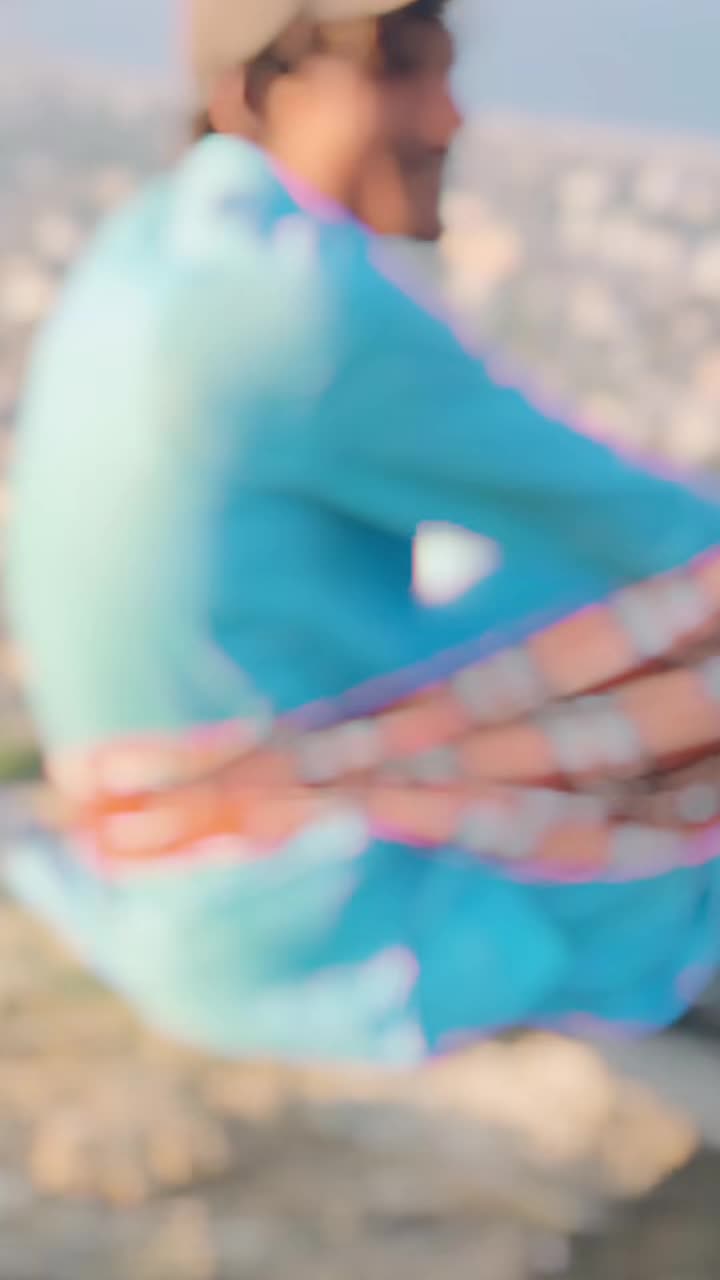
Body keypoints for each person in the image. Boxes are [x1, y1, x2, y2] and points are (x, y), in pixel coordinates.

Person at [7, 0, 720, 1065]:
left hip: (149, 877)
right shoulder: (298, 298)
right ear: (253, 94)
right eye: (397, 72)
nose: (447, 117)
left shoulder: (149, 250)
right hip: (304, 930)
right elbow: (660, 533)